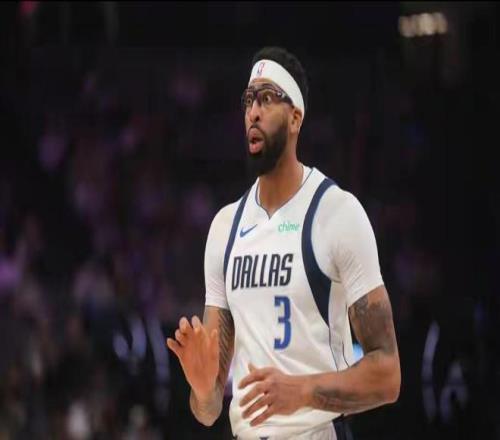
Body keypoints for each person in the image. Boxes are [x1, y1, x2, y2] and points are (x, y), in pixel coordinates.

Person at [166, 46, 401, 440]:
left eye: (267, 98)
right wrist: (204, 390)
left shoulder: (337, 212)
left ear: (295, 118)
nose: (253, 112)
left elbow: (388, 375)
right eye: (248, 100)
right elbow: (208, 411)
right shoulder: (225, 226)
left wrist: (302, 391)